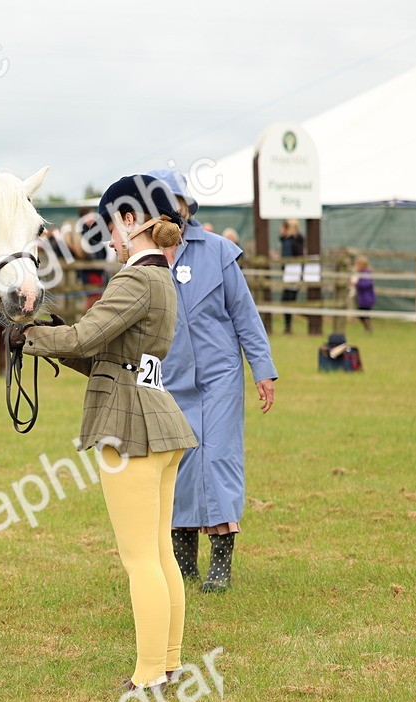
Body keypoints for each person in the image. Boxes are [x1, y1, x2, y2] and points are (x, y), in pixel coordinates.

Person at [11, 175, 197, 691]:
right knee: (159, 553)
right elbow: (105, 356)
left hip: (130, 428)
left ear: (132, 222)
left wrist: (29, 336)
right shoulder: (162, 278)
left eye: (112, 227)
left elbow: (85, 335)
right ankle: (169, 663)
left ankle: (147, 677)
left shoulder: (135, 280)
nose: (110, 240)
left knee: (140, 559)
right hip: (159, 419)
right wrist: (49, 339)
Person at [148, 169, 278, 594]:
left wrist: (262, 369)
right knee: (179, 464)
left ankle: (221, 564)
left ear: (187, 208)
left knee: (219, 459)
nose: (172, 212)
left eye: (177, 203)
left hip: (221, 377)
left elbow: (245, 315)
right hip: (169, 379)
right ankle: (183, 564)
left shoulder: (219, 252)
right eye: (162, 204)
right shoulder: (143, 260)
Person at [279, 219, 304, 333]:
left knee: (288, 299)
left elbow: (288, 257)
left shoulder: (292, 241)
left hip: (292, 273)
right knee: (288, 299)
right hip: (291, 273)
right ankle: (287, 325)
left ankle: (288, 326)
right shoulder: (292, 241)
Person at [351, 255, 376, 333]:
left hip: (367, 298)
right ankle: (367, 329)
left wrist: (356, 284)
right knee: (362, 314)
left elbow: (367, 284)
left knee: (364, 314)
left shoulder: (366, 274)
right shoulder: (359, 274)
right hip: (362, 298)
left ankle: (368, 329)